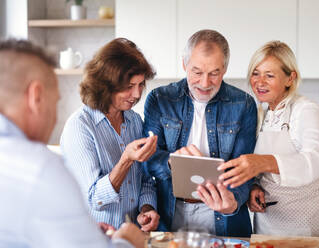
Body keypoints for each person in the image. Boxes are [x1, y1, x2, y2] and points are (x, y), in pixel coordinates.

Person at [0, 39, 145, 248]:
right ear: (36, 96)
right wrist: (128, 241)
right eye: (56, 101)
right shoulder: (41, 168)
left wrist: (85, 231)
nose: (54, 117)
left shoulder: (133, 121)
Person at [143, 29, 257, 237]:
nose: (205, 83)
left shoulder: (244, 104)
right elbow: (146, 161)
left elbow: (245, 169)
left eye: (214, 73)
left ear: (224, 69)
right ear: (185, 64)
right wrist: (172, 161)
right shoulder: (159, 99)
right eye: (197, 72)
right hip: (170, 210)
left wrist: (233, 202)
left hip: (220, 214)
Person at [217, 40, 319, 236]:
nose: (259, 82)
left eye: (269, 75)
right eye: (255, 73)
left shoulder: (305, 109)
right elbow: (262, 170)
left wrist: (263, 162)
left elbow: (314, 161)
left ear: (290, 78)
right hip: (268, 222)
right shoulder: (260, 114)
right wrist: (255, 185)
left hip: (307, 223)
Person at [60, 38, 159, 231]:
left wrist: (147, 208)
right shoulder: (80, 127)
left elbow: (145, 178)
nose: (138, 94)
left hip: (132, 238)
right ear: (106, 85)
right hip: (95, 239)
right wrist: (126, 160)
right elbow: (94, 198)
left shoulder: (134, 121)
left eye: (140, 85)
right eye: (129, 86)